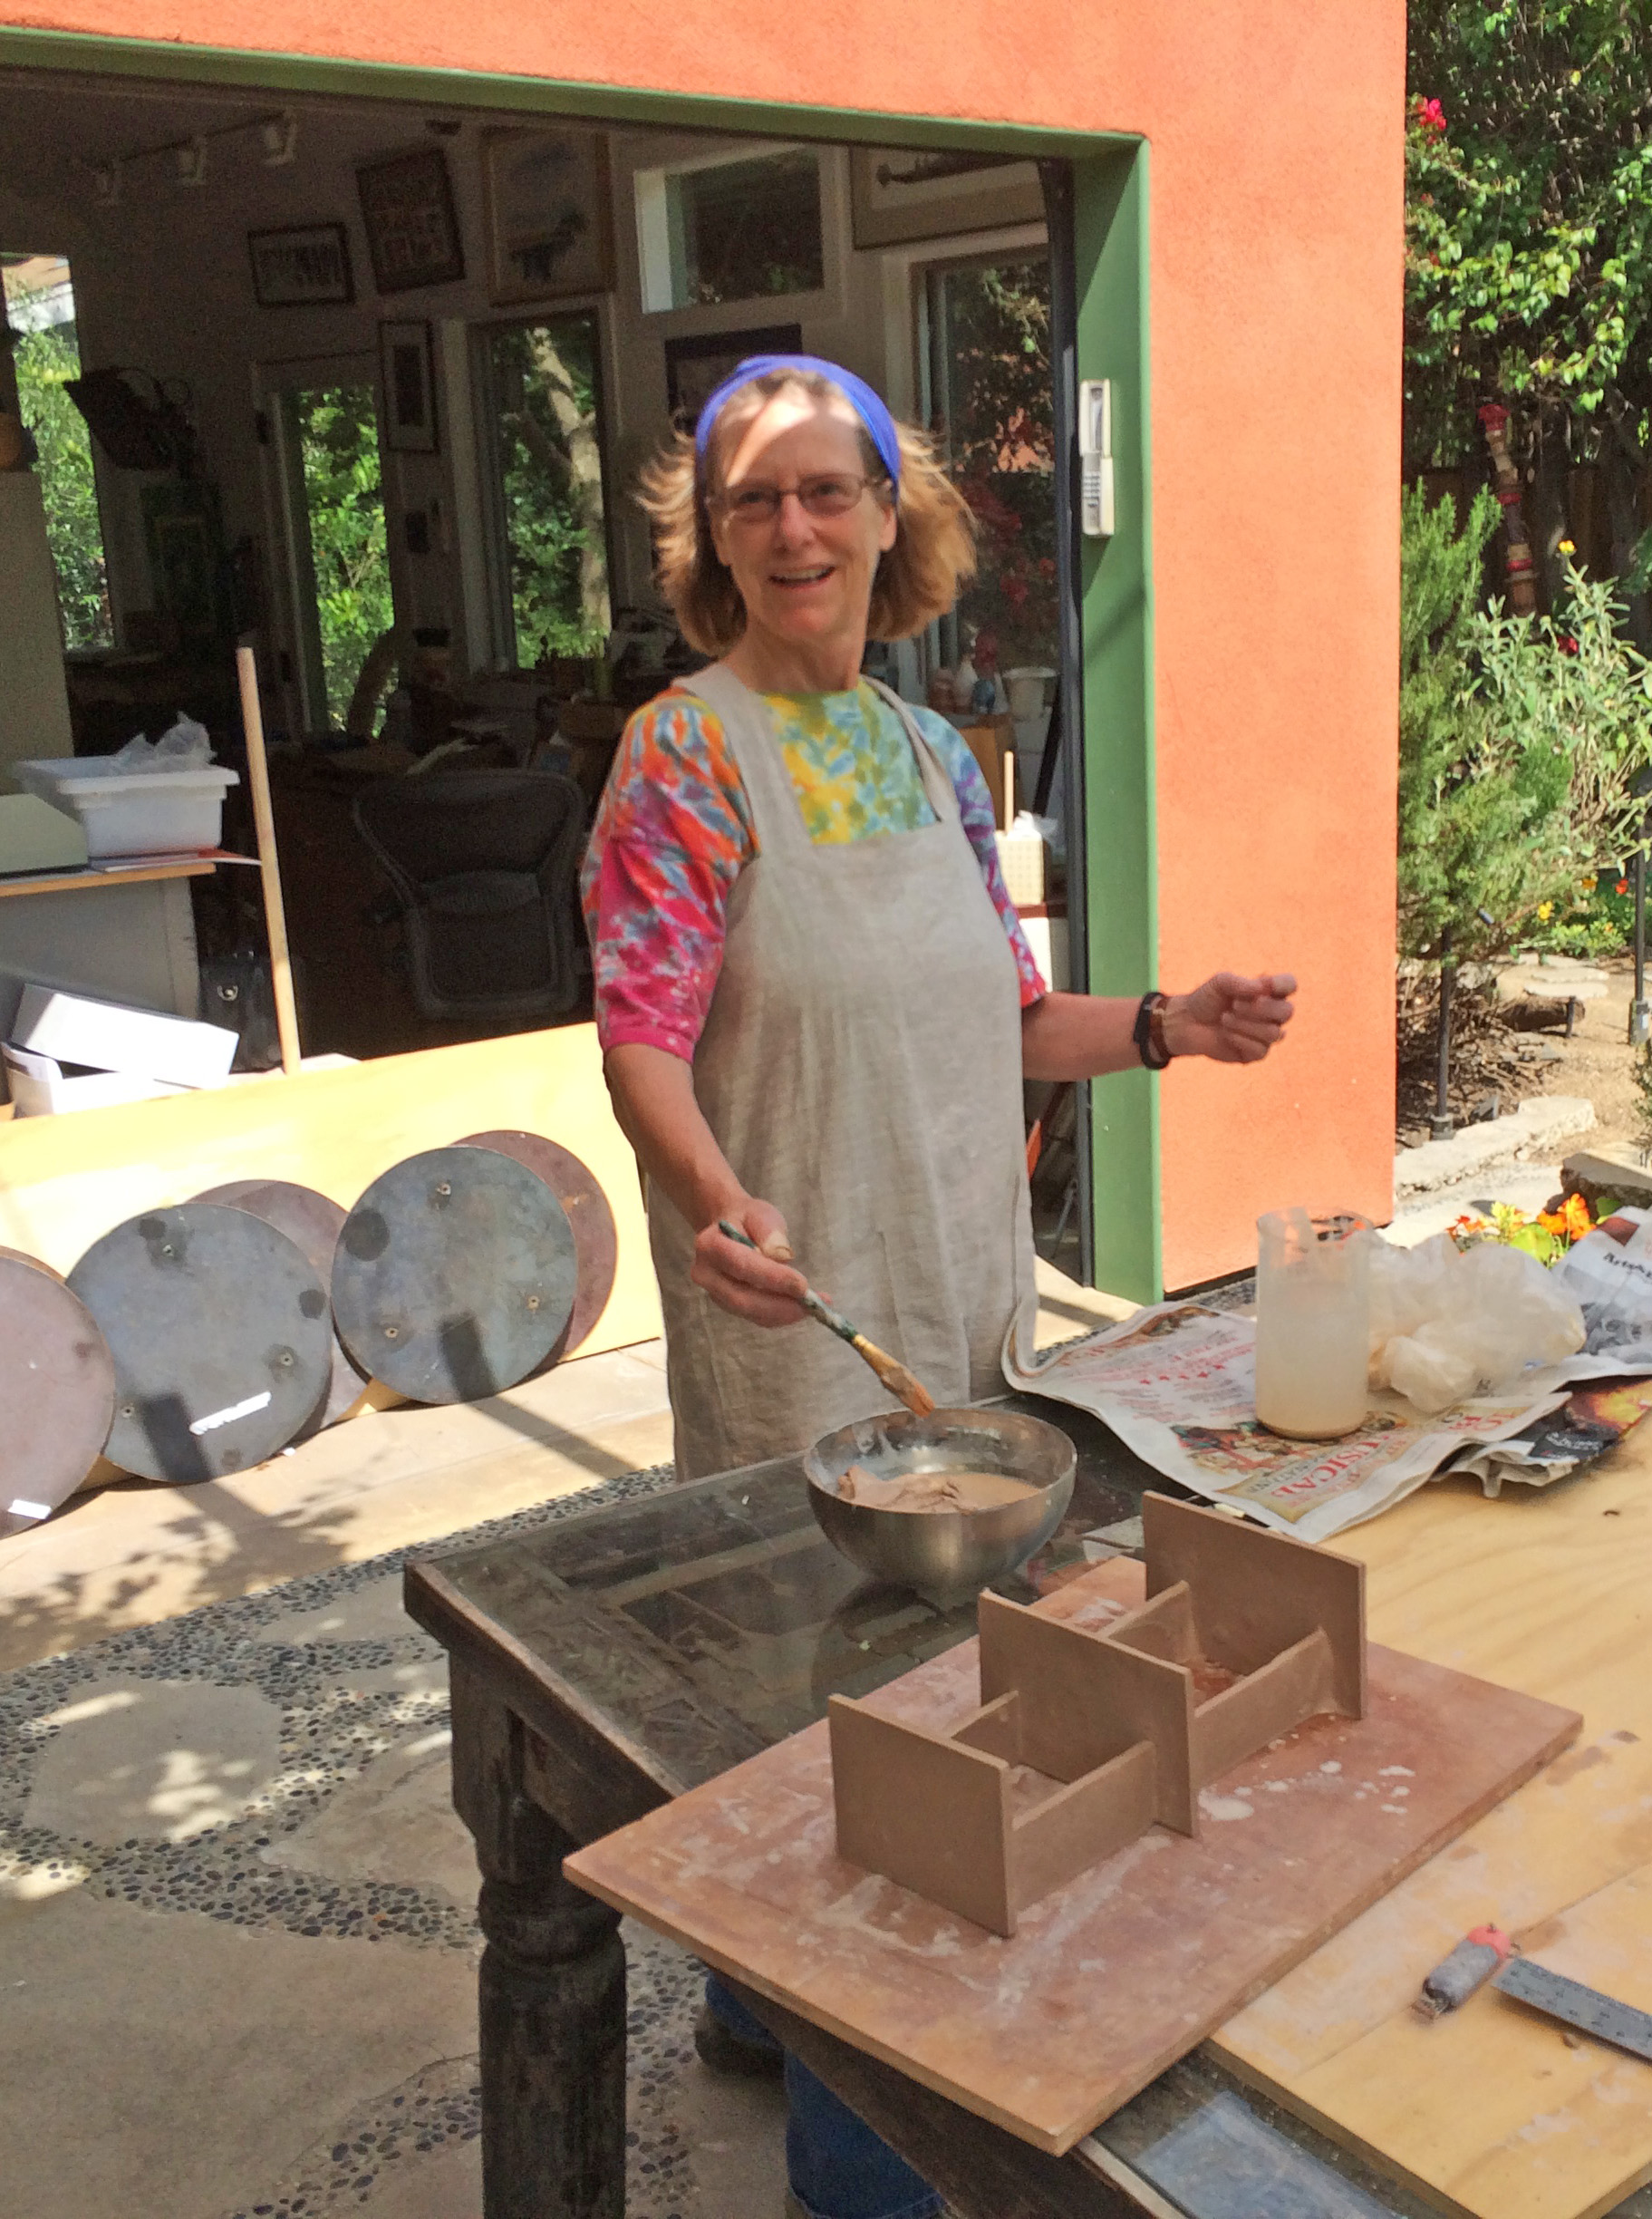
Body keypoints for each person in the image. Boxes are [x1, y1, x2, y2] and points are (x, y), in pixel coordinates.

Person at [581, 354, 1295, 2219]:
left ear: (889, 515)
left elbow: (1010, 1019)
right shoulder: (684, 753)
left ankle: (759, 2006)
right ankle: (865, 2165)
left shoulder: (927, 754)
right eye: (753, 500)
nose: (794, 528)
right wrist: (717, 1200)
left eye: (827, 489)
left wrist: (1171, 1026)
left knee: (924, 1707)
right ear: (711, 541)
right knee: (843, 1725)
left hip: (963, 1307)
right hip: (800, 1319)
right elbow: (641, 1038)